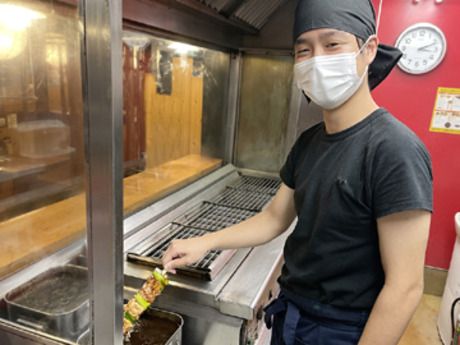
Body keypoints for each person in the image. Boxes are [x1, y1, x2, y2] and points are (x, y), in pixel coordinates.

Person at [162, 0, 433, 344]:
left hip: (344, 329)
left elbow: (405, 287)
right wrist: (205, 242)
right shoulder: (310, 142)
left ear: (369, 50)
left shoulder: (394, 150)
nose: (317, 59)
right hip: (292, 314)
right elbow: (274, 218)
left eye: (332, 44)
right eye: (303, 50)